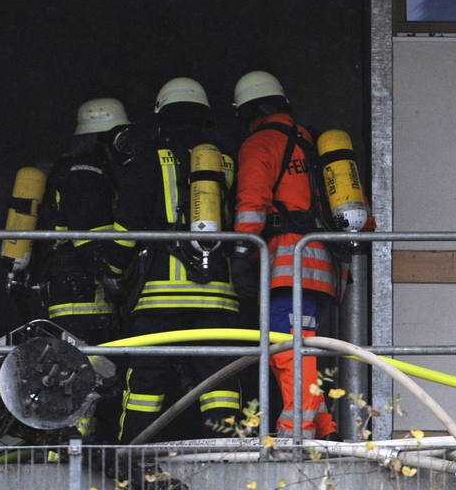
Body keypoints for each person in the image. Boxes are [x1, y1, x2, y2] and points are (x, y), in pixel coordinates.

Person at [111, 76, 244, 442]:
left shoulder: (148, 160)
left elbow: (128, 226)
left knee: (147, 381)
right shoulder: (226, 162)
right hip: (218, 296)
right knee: (219, 380)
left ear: (161, 116)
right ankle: (226, 454)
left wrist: (110, 268)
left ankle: (131, 453)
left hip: (159, 299)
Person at [231, 70, 347, 438]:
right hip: (323, 265)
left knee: (288, 351)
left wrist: (241, 252)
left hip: (287, 263)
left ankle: (295, 433)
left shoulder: (260, 143)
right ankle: (324, 428)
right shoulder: (313, 144)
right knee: (305, 349)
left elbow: (251, 206)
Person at [27, 96, 136, 440]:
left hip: (72, 288)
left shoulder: (76, 168)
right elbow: (88, 234)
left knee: (81, 370)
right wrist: (110, 271)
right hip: (81, 291)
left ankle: (75, 443)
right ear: (109, 136)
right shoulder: (86, 172)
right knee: (87, 370)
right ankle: (77, 445)